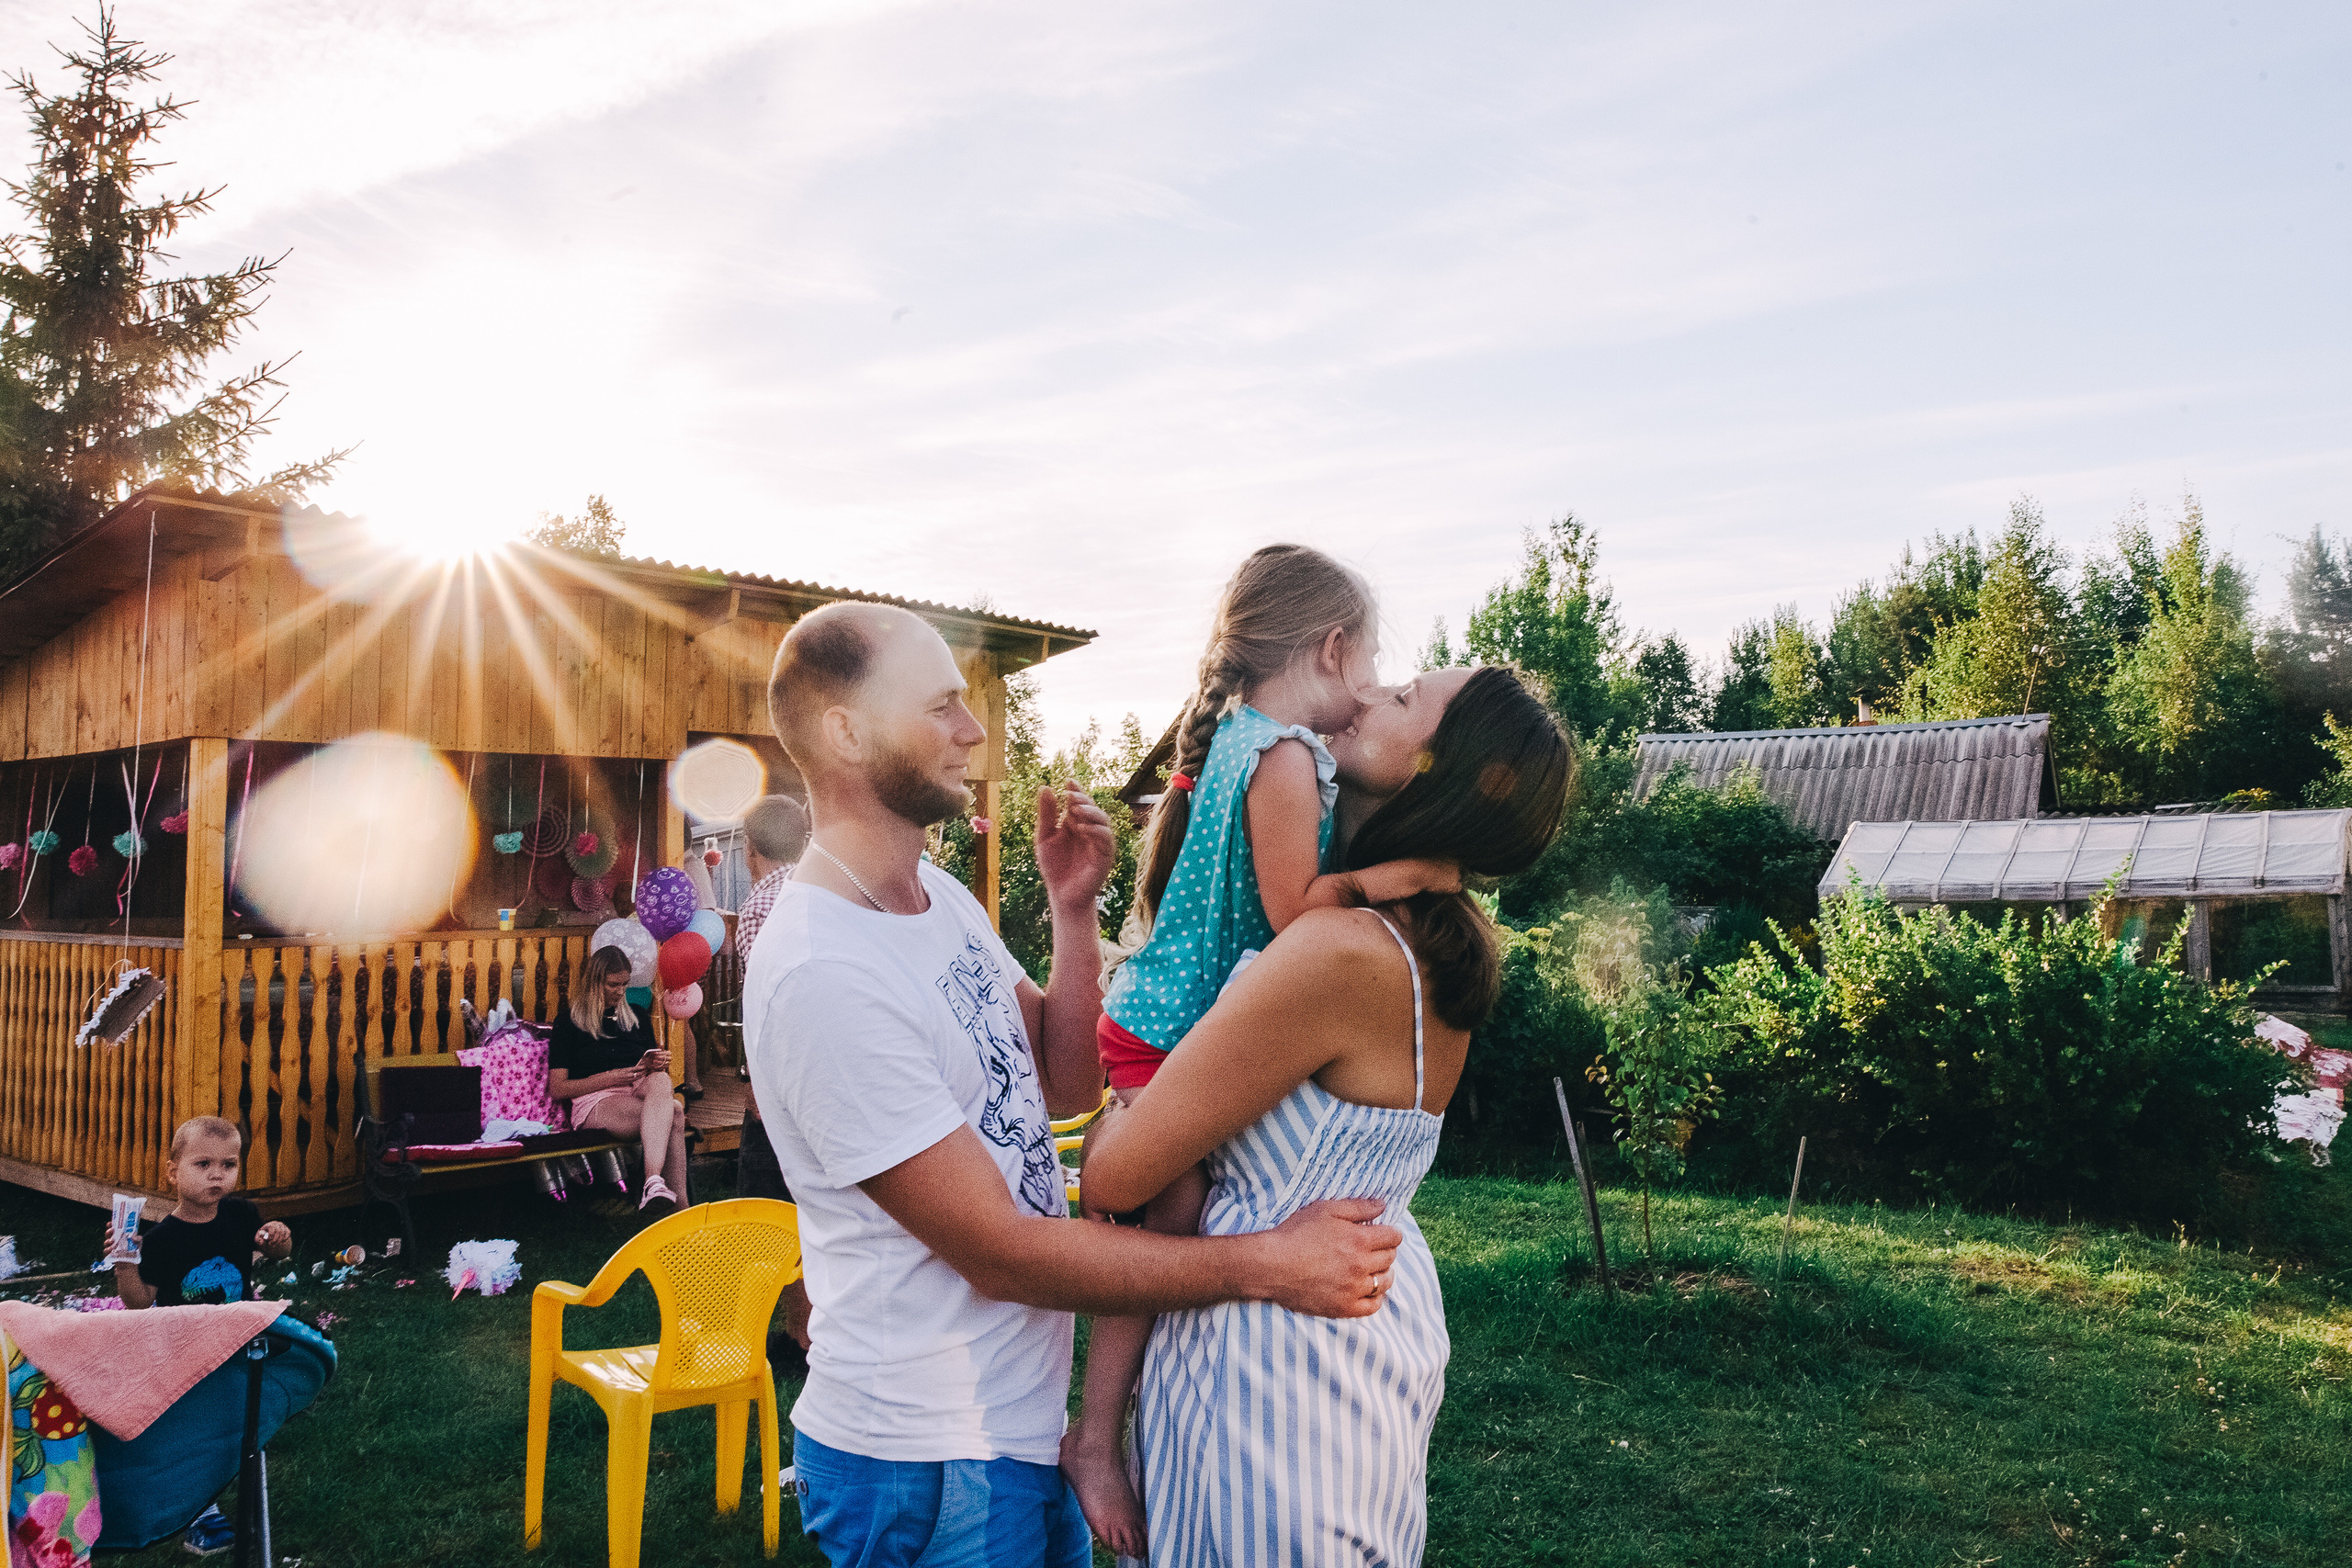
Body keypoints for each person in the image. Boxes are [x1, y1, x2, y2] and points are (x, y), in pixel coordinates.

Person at [745, 601, 1403, 1568]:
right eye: (939, 706)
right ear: (846, 732)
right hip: (926, 1461)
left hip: (1012, 1431)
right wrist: (1270, 1262)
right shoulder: (822, 970)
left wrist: (1072, 909)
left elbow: (1061, 1081)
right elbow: (1003, 1254)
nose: (972, 731)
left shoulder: (937, 900)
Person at [1083, 663, 1572, 1567]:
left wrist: (1126, 1103)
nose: (1371, 693)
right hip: (1361, 1342)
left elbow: (1115, 1177)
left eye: (1404, 699)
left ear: (1433, 775)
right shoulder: (1423, 937)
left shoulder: (1337, 950)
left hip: (1266, 1373)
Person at [1063, 544, 1457, 1553]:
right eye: (1376, 665)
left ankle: (1101, 1430)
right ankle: (1096, 1435)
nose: (1374, 688)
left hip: (1164, 1015)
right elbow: (1294, 913)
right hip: (1167, 1030)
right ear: (1331, 649)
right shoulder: (1285, 758)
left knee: (1166, 1211)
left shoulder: (1246, 739)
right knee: (1166, 1217)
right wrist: (1392, 879)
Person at [107, 1115, 296, 1556]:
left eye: (229, 1165)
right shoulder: (162, 1238)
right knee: (193, 1433)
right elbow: (138, 1302)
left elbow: (278, 1252)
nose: (217, 1175)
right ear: (173, 1172)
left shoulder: (241, 1215)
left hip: (236, 1340)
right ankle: (202, 1513)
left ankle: (236, 1486)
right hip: (184, 1348)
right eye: (203, 1164)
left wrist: (279, 1238)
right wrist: (124, 1263)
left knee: (234, 1422)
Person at [730, 793, 813, 1374]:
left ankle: (787, 1336)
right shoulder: (823, 888)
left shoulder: (761, 903)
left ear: (750, 847)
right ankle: (804, 1332)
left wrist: (754, 1077)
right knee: (815, 1207)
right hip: (827, 1073)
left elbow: (769, 1000)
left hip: (783, 1077)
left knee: (765, 1211)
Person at [548, 945, 688, 1217]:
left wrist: (655, 1064)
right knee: (674, 1114)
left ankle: (654, 1184)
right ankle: (679, 1209)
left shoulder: (636, 1015)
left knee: (661, 1080)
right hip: (596, 1099)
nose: (620, 991)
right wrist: (607, 1078)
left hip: (637, 1088)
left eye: (625, 984)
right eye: (613, 984)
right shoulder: (569, 1021)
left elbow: (651, 1074)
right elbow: (558, 1088)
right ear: (594, 982)